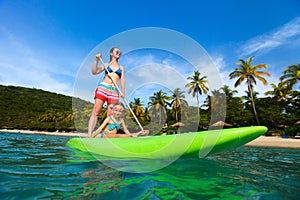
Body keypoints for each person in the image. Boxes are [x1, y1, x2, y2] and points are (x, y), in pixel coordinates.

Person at [88, 47, 125, 137]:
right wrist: (96, 61)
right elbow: (94, 72)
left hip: (114, 91)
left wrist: (123, 92)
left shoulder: (121, 68)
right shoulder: (106, 64)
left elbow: (122, 80)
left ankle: (106, 136)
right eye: (117, 51)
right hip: (103, 88)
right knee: (96, 112)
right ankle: (89, 135)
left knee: (111, 115)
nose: (119, 52)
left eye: (120, 52)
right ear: (111, 53)